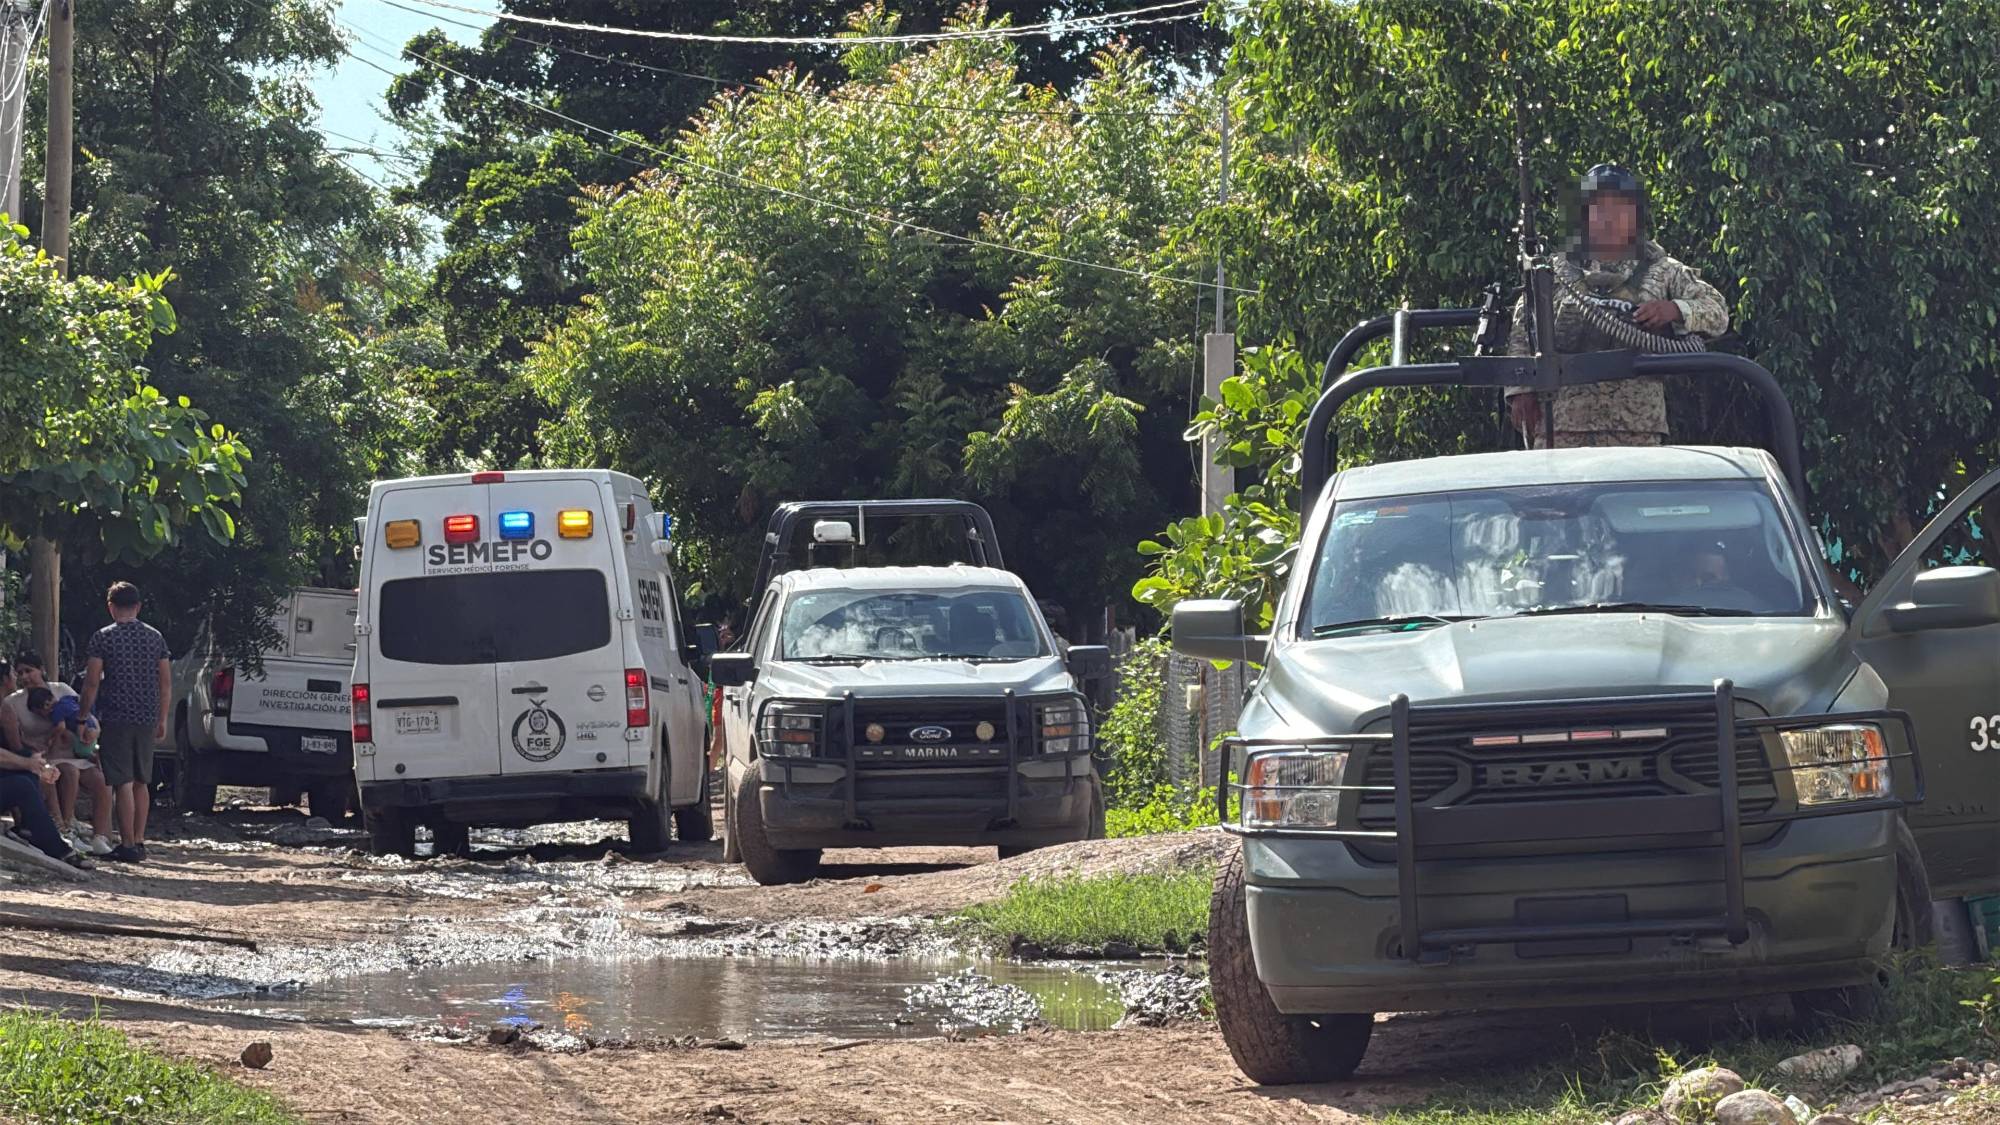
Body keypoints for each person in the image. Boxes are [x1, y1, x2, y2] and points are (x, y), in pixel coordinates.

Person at [1506, 164, 1731, 448]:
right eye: (1598, 208)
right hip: (1561, 424)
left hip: (1636, 427)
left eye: (1619, 208)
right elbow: (1523, 326)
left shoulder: (1661, 269)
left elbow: (1717, 312)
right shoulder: (1553, 272)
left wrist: (1674, 309)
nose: (1608, 218)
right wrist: (1520, 389)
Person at [79, 581, 172, 864]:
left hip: (117, 715)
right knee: (142, 780)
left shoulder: (103, 637)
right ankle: (140, 840)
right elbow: (165, 683)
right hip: (146, 715)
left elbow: (92, 681)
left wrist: (83, 716)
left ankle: (127, 842)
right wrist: (162, 718)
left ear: (111, 607)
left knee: (122, 781)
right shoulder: (156, 638)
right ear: (138, 607)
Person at [7, 653, 114, 855]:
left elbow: (86, 716)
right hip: (46, 756)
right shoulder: (14, 703)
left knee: (102, 779)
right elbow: (15, 739)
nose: (25, 677)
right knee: (68, 772)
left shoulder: (61, 690)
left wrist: (93, 733)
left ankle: (100, 836)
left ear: (41, 670)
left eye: (29, 671)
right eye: (20, 672)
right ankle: (66, 826)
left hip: (74, 751)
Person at [0, 667, 92, 870]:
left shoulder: (6, 708)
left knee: (27, 774)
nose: (18, 678)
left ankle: (29, 828)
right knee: (22, 783)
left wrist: (37, 763)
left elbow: (17, 749)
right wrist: (28, 763)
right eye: (14, 674)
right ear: (5, 679)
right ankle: (57, 848)